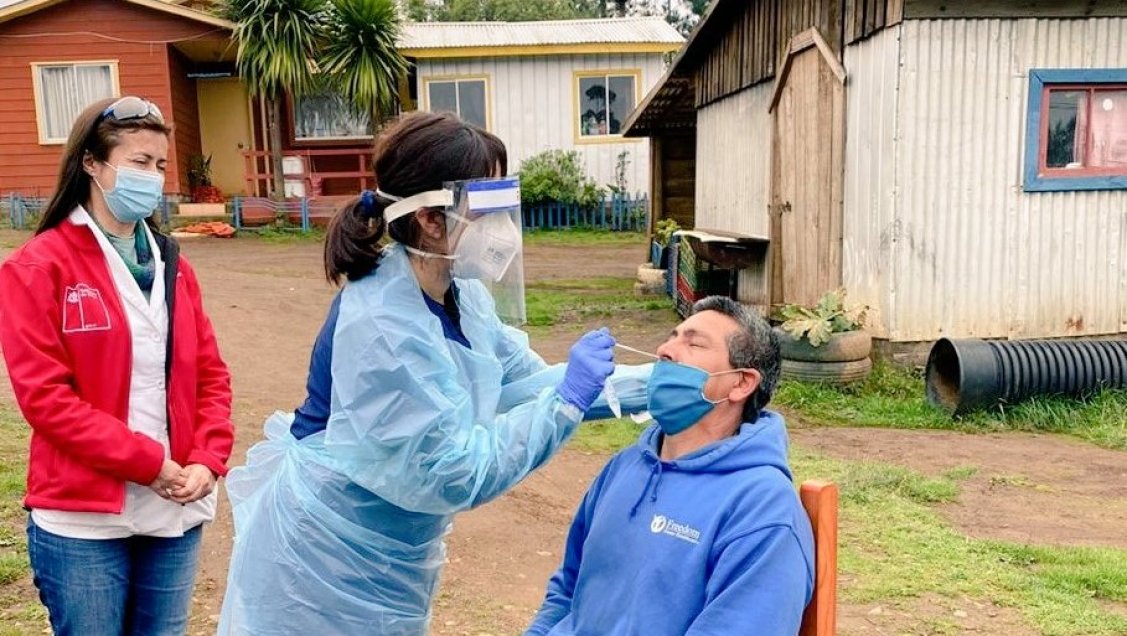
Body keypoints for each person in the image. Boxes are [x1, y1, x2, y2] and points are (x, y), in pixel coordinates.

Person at [218, 111, 649, 635]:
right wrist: (566, 403)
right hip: (323, 555)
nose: (504, 229)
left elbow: (525, 382)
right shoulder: (383, 322)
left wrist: (652, 384)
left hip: (392, 549)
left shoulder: (459, 294)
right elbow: (451, 472)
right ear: (430, 218)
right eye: (486, 207)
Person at [0, 96, 235, 635]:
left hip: (173, 507)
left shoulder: (172, 263)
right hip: (82, 518)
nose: (152, 177)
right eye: (137, 162)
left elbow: (211, 376)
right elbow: (46, 400)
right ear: (91, 164)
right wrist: (147, 462)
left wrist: (208, 457)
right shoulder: (38, 267)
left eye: (158, 165)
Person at [527, 296, 815, 636]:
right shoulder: (625, 467)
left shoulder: (762, 508)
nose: (665, 350)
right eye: (672, 336)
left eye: (693, 343)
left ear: (741, 383)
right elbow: (566, 593)